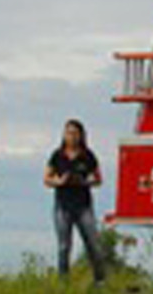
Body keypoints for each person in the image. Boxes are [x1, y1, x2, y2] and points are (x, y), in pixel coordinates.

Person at [45, 120, 109, 284]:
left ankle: (100, 280)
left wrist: (85, 181)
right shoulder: (57, 155)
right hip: (63, 205)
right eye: (68, 133)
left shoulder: (87, 156)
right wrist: (59, 181)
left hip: (83, 205)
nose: (71, 137)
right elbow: (47, 178)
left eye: (75, 133)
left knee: (93, 244)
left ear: (81, 136)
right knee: (64, 246)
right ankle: (63, 282)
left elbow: (98, 179)